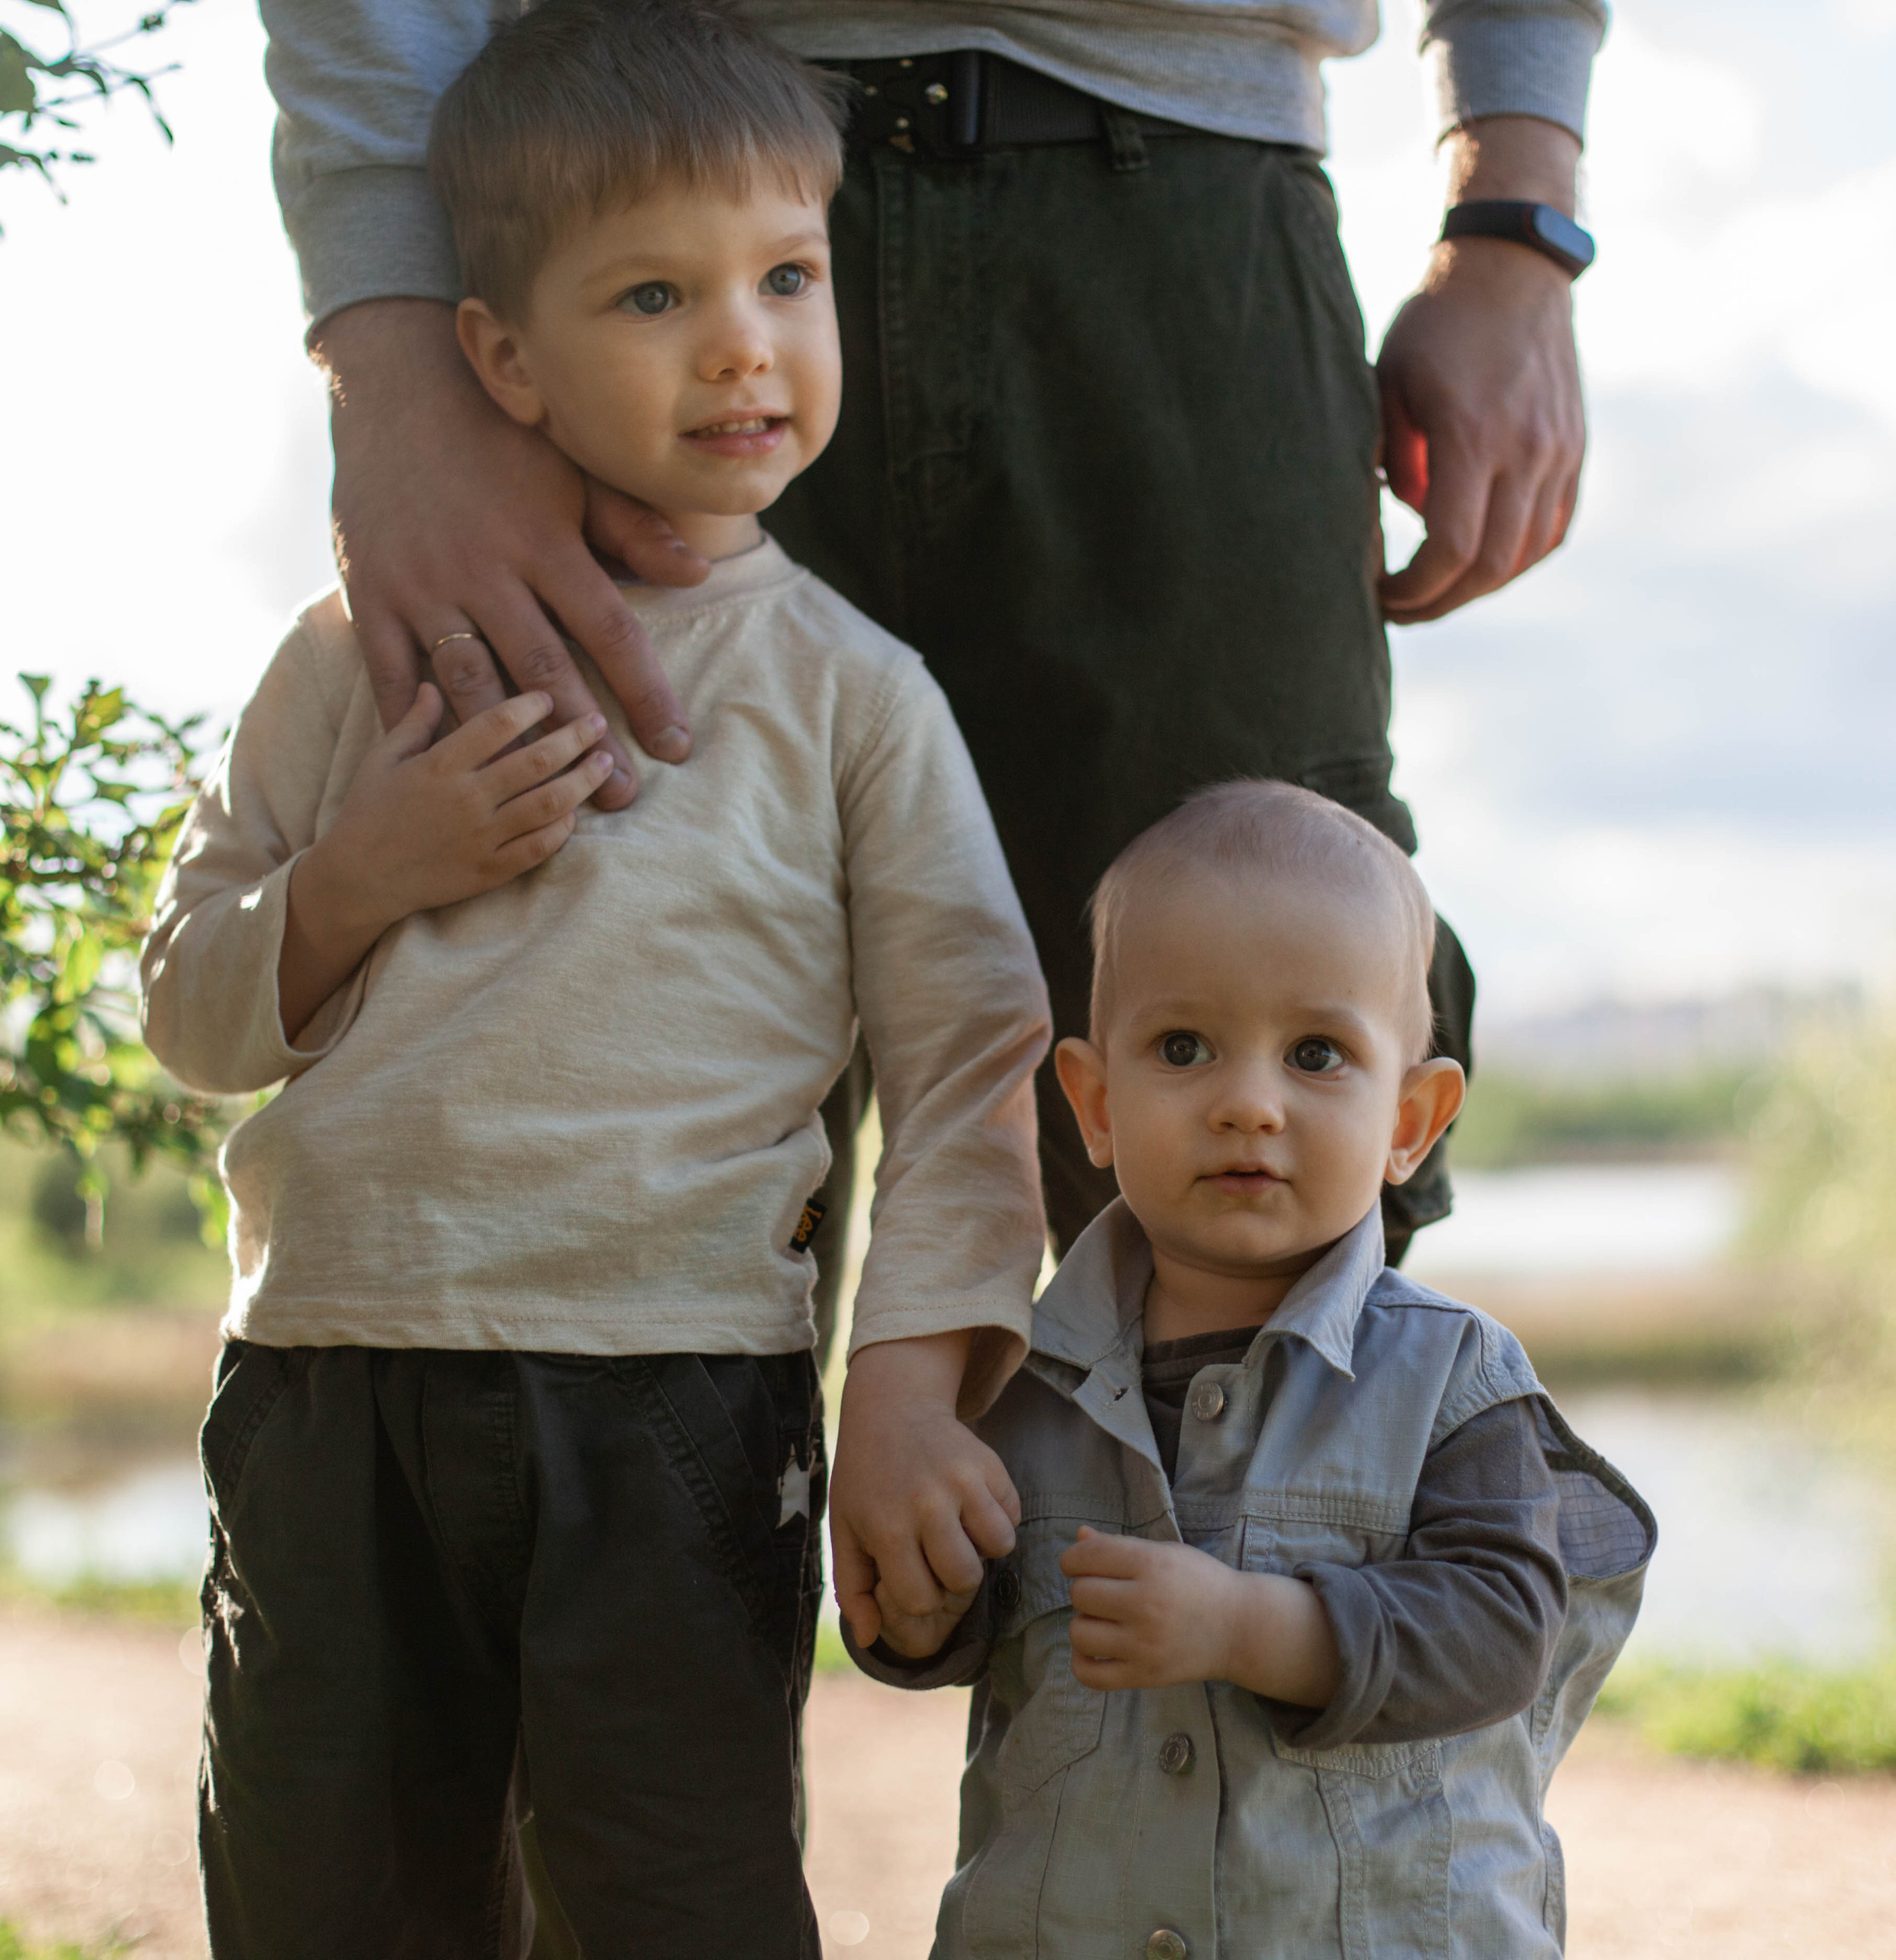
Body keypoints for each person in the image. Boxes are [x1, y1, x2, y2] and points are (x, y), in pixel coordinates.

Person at [259, 0, 1610, 1320]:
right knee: (603, 1143)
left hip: (1182, 226)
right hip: (631, 183)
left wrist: (1517, 220)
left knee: (1266, 1084)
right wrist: (388, 341)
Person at [141, 6, 1050, 1952]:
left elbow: (976, 1059)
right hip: (330, 1385)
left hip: (673, 1408)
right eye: (654, 291)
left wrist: (907, 1380)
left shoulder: (853, 699)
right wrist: (363, 873)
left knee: (673, 1908)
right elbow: (186, 1012)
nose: (742, 341)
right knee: (327, 1904)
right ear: (498, 354)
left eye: (786, 275)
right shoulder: (356, 653)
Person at [849, 780, 1654, 1958]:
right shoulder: (1025, 1386)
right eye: (1186, 1048)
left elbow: (1503, 1630)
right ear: (1096, 1101)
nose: (1247, 1104)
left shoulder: (1453, 1378)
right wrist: (924, 1616)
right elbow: (980, 1649)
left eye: (1317, 1054)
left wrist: (1254, 1628)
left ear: (1411, 1122)